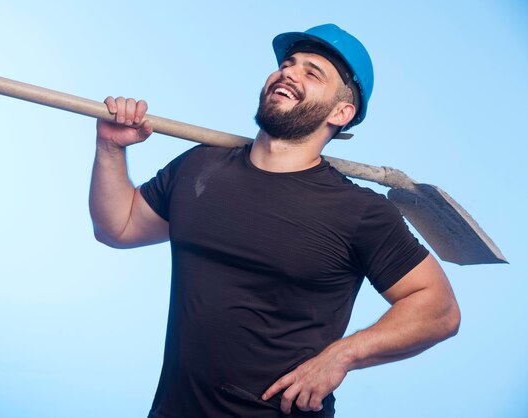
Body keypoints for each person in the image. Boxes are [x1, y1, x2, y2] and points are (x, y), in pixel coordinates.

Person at [89, 24, 460, 418]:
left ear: (341, 112)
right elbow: (119, 227)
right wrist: (110, 148)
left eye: (311, 72)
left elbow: (440, 309)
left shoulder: (359, 211)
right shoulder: (199, 167)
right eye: (288, 64)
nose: (289, 73)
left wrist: (343, 355)